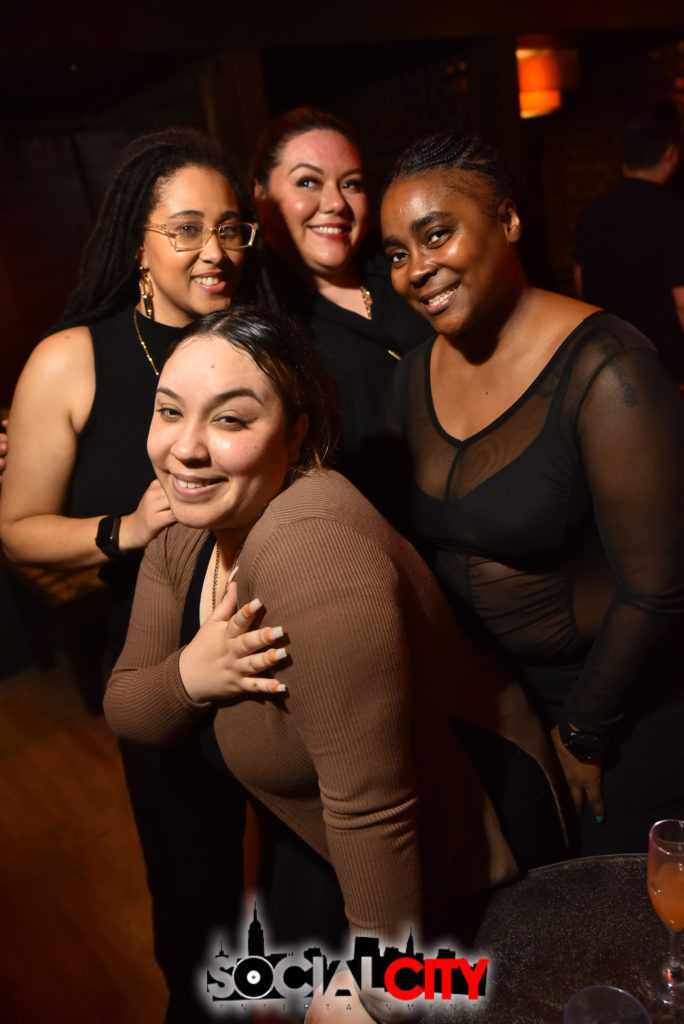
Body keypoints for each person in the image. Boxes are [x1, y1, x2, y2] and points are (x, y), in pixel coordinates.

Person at [103, 306, 565, 1009]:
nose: (186, 448)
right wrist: (194, 673)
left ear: (296, 434)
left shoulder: (312, 547)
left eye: (230, 419)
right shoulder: (184, 522)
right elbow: (128, 707)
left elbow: (376, 807)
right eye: (170, 411)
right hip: (318, 833)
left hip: (461, 848)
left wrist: (378, 989)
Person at [0, 127, 264, 1022]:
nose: (215, 251)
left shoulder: (260, 341)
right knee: (195, 892)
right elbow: (19, 531)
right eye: (186, 229)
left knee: (312, 873)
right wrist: (129, 528)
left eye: (229, 229)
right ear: (137, 243)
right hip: (158, 661)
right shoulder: (71, 358)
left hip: (277, 637)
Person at [379, 129, 684, 858]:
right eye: (396, 253)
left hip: (622, 703)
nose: (417, 269)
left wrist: (584, 730)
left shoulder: (609, 369)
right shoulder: (410, 376)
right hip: (495, 703)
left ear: (509, 221)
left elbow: (658, 588)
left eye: (437, 235)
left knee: (613, 904)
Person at [252, 107, 432, 488]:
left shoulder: (407, 272)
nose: (336, 202)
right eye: (307, 182)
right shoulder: (265, 325)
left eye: (351, 184)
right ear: (261, 197)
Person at [574, 99, 684, 382]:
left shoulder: (591, 214)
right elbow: (682, 300)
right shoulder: (675, 213)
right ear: (671, 154)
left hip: (609, 365)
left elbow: (580, 283)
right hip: (666, 370)